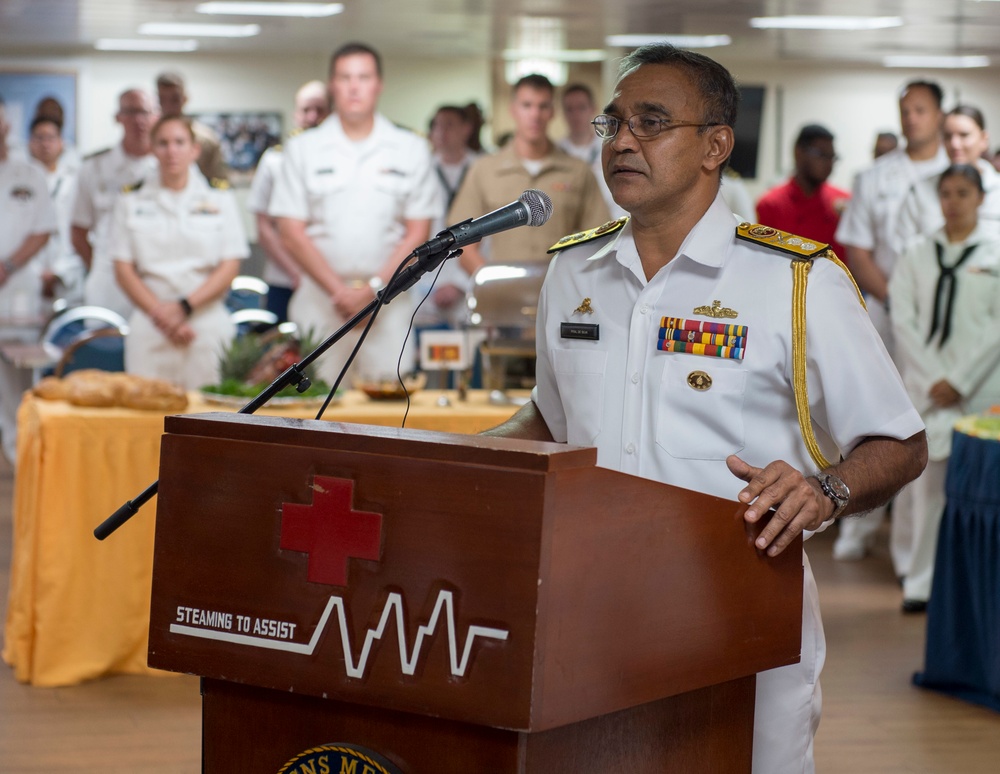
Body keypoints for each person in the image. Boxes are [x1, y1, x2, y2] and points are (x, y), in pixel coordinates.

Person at [483, 44, 927, 774]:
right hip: (588, 609)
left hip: (738, 611)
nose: (623, 140)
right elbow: (550, 417)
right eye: (613, 123)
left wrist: (824, 492)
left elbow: (900, 443)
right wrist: (467, 455)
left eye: (652, 121)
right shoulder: (573, 270)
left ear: (715, 145)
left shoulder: (797, 280)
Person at [269, 42, 443, 386]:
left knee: (388, 419)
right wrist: (341, 292)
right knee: (311, 416)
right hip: (320, 301)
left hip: (389, 302)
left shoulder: (409, 148)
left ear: (378, 84)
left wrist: (374, 291)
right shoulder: (303, 148)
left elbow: (417, 231)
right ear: (332, 85)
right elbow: (290, 230)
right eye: (345, 77)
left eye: (363, 77)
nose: (353, 86)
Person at [832, 80, 947, 564]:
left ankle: (911, 555)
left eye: (920, 110)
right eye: (905, 110)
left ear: (939, 114)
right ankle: (855, 530)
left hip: (939, 321)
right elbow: (856, 247)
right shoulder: (876, 176)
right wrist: (894, 299)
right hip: (884, 310)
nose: (911, 118)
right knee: (869, 422)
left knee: (923, 426)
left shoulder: (958, 174)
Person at [889, 164, 1000, 613]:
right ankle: (920, 583)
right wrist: (936, 377)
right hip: (926, 385)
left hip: (980, 386)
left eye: (963, 193)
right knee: (926, 491)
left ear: (979, 197)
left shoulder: (995, 249)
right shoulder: (917, 251)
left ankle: (977, 587)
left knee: (982, 489)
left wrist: (959, 380)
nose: (953, 202)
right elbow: (903, 318)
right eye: (947, 193)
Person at [109, 116, 247, 390]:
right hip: (151, 323)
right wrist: (164, 316)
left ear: (194, 149)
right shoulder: (131, 200)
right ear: (151, 148)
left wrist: (185, 307)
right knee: (147, 419)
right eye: (163, 143)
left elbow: (230, 264)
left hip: (205, 323)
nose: (171, 151)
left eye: (179, 142)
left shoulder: (219, 198)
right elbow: (123, 269)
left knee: (207, 422)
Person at [448, 73, 610, 277]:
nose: (535, 114)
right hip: (501, 295)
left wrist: (574, 282)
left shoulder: (578, 171)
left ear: (552, 112)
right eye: (527, 105)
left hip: (561, 292)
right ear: (513, 109)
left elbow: (597, 239)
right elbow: (461, 242)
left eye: (543, 106)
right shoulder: (484, 169)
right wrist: (492, 282)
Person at [0, 95, 57, 462]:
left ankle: (20, 458)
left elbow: (43, 229)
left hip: (14, 289)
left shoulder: (29, 175)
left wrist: (7, 266)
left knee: (17, 382)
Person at [246, 80, 331, 323]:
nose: (313, 117)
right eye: (306, 110)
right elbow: (263, 227)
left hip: (329, 281)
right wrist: (296, 273)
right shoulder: (274, 159)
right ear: (296, 115)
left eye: (320, 109)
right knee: (280, 355)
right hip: (283, 279)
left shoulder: (341, 162)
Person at [72, 88, 159, 317]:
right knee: (104, 349)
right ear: (118, 117)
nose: (138, 120)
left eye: (144, 112)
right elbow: (78, 231)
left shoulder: (170, 168)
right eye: (130, 112)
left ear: (156, 116)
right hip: (109, 285)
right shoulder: (94, 168)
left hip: (158, 282)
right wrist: (101, 268)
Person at [412, 105, 482, 330]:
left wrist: (460, 284)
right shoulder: (419, 170)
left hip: (471, 283)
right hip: (426, 287)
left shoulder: (483, 168)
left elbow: (490, 236)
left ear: (467, 128)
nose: (442, 131)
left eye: (449, 125)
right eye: (437, 125)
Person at [895, 105, 1000, 246]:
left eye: (964, 135)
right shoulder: (921, 191)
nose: (955, 144)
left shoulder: (997, 189)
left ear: (983, 139)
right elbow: (904, 247)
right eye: (948, 136)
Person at [756, 124, 851, 264]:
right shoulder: (772, 204)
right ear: (798, 152)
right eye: (821, 155)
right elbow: (765, 260)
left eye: (832, 157)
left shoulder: (843, 202)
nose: (829, 163)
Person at [28, 115, 85, 305]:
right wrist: (37, 273)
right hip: (27, 274)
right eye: (39, 138)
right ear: (30, 143)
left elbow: (82, 232)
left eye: (51, 138)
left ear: (61, 142)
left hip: (69, 275)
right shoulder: (18, 184)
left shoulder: (76, 181)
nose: (45, 144)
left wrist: (58, 272)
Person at [559, 82, 623, 219]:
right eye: (569, 109)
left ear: (592, 108)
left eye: (581, 108)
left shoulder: (610, 148)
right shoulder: (556, 153)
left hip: (609, 224)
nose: (575, 115)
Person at [155, 71, 229, 183]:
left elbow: (219, 181)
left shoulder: (206, 140)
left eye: (174, 99)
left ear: (184, 99)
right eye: (163, 99)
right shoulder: (148, 137)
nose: (168, 105)